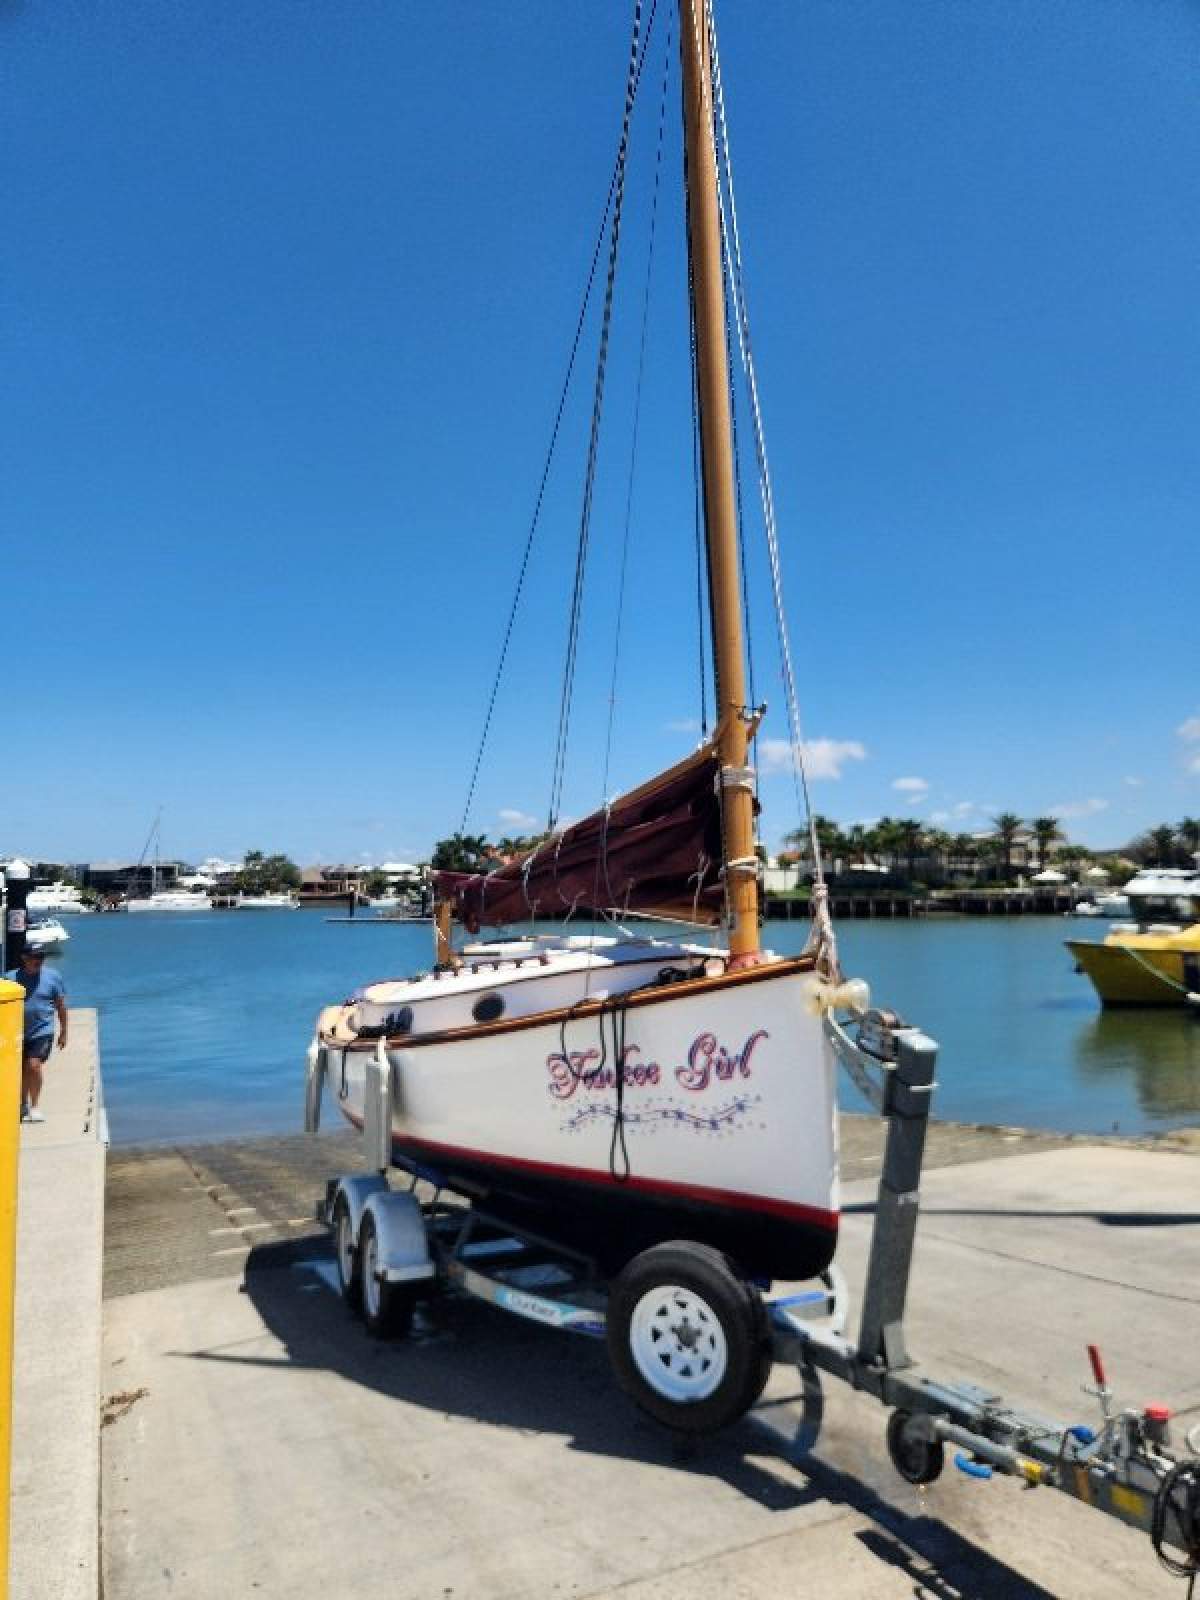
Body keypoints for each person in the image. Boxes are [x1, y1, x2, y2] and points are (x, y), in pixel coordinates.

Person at [5, 947, 68, 1124]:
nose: (38, 960)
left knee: (33, 1066)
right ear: (24, 957)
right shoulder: (9, 978)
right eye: (34, 957)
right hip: (16, 1031)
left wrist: (64, 1032)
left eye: (41, 956)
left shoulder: (53, 977)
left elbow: (61, 1006)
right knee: (21, 1070)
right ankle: (22, 1104)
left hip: (43, 1030)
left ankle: (35, 1106)